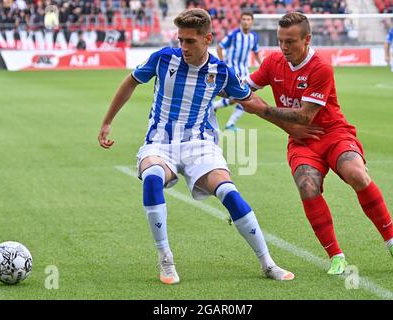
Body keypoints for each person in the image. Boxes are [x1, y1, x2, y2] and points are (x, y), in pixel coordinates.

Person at [97, 8, 310, 285]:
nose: (183, 46)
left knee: (229, 192)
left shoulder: (221, 73)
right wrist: (107, 122)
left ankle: (267, 262)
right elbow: (130, 82)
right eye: (180, 40)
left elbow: (252, 103)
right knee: (151, 178)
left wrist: (290, 127)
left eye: (190, 41)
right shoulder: (163, 59)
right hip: (160, 143)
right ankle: (165, 257)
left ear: (207, 38)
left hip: (200, 145)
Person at [238, 12, 393, 275]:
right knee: (307, 186)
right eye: (280, 41)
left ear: (307, 39)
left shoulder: (320, 67)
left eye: (290, 41)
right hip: (301, 143)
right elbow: (244, 90)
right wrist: (219, 83)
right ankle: (336, 256)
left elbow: (304, 116)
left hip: (333, 133)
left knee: (356, 174)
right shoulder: (273, 62)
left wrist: (262, 109)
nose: (284, 47)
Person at [213, 12, 262, 131]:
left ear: (252, 22)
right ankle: (226, 119)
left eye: (248, 19)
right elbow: (219, 47)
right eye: (243, 19)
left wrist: (261, 65)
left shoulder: (253, 37)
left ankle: (220, 112)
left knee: (241, 98)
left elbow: (255, 51)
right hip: (233, 72)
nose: (246, 21)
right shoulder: (234, 35)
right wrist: (222, 63)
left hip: (244, 72)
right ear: (240, 21)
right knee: (241, 98)